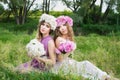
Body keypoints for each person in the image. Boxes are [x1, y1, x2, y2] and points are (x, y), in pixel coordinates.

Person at [51, 15, 111, 80]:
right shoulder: (59, 39)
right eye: (59, 27)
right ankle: (104, 77)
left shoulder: (68, 38)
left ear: (68, 26)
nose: (62, 28)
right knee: (85, 65)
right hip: (60, 65)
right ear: (58, 30)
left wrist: (71, 58)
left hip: (67, 61)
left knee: (85, 65)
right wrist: (71, 50)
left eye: (64, 25)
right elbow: (60, 59)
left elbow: (67, 56)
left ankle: (104, 77)